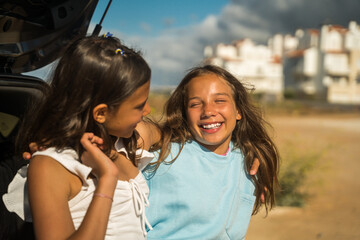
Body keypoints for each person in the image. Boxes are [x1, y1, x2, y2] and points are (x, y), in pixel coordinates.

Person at [2, 34, 154, 239]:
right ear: (101, 113)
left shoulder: (122, 140)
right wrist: (107, 179)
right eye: (138, 106)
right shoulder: (51, 165)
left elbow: (168, 130)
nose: (148, 110)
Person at [136, 65, 279, 239]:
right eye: (195, 104)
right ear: (184, 114)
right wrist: (156, 132)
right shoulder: (165, 155)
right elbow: (139, 131)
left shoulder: (248, 160)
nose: (208, 111)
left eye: (219, 101)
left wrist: (264, 159)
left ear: (238, 111)